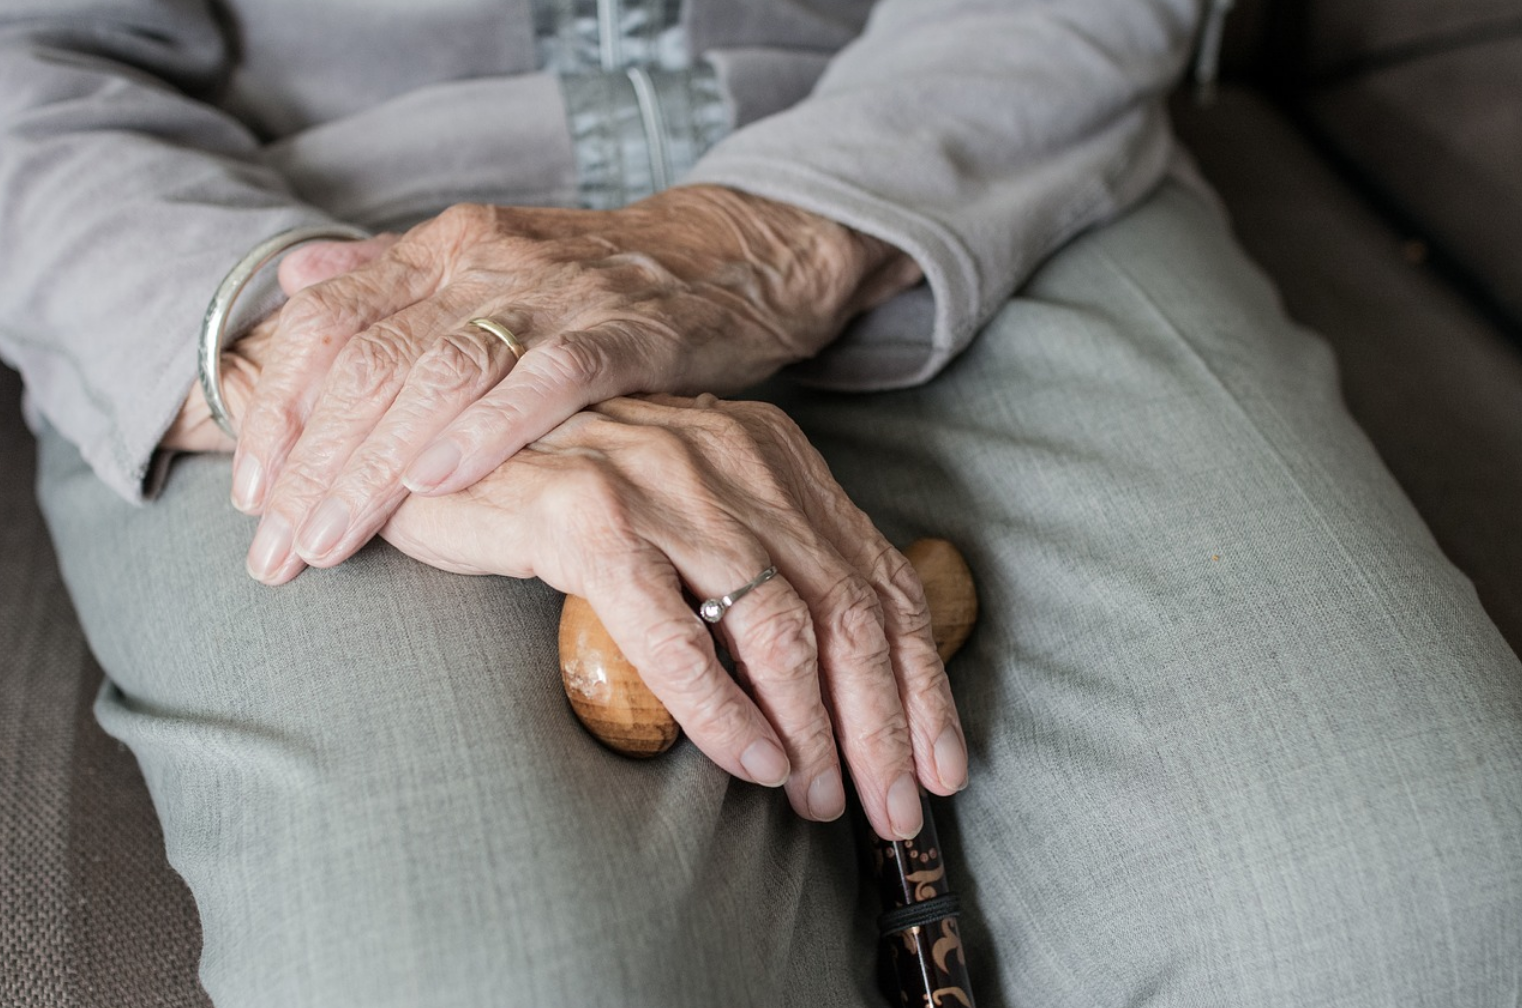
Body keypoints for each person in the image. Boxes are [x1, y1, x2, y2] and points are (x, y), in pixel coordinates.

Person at [3, 0, 1519, 1005]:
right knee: (480, 978)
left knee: (1419, 907)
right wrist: (339, 365)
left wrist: (756, 241)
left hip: (961, 153)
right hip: (282, 241)